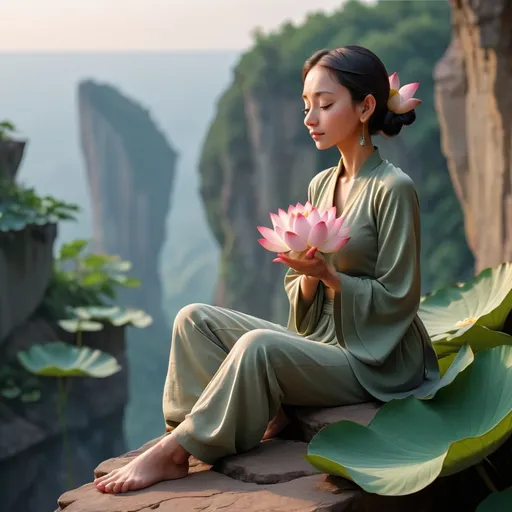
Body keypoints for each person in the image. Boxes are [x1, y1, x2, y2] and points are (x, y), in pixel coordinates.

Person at [95, 45, 440, 494]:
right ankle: (185, 433)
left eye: (325, 104)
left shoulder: (393, 188)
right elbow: (303, 292)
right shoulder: (322, 183)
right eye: (305, 105)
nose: (309, 118)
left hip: (378, 360)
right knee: (193, 319)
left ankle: (177, 453)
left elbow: (400, 297)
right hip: (326, 341)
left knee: (258, 345)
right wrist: (310, 276)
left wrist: (330, 277)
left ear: (365, 107)